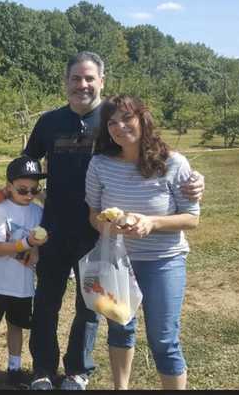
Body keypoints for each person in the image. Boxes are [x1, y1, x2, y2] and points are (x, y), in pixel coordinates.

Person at [21, 51, 205, 390]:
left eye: (90, 78)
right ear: (66, 82)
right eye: (76, 78)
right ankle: (43, 370)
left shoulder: (110, 119)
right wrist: (22, 195)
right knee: (46, 301)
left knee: (91, 306)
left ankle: (78, 370)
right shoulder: (49, 122)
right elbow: (26, 167)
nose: (82, 85)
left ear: (102, 81)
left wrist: (194, 180)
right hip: (55, 228)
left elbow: (153, 155)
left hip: (99, 235)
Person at [85, 95, 199, 390]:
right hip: (118, 261)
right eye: (112, 122)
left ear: (142, 119)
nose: (119, 127)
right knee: (121, 328)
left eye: (127, 118)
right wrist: (106, 224)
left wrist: (152, 223)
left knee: (164, 339)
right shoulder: (99, 164)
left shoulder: (173, 163)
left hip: (163, 261)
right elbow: (93, 214)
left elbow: (191, 218)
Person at [0, 156, 48, 390]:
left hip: (23, 285)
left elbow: (37, 246)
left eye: (33, 190)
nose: (28, 195)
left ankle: (14, 369)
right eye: (22, 190)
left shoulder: (37, 212)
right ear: (9, 187)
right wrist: (26, 244)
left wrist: (34, 252)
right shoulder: (0, 211)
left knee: (17, 326)